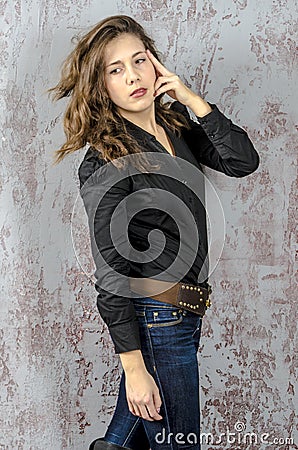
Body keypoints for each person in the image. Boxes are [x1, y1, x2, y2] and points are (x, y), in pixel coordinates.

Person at [50, 15, 259, 450]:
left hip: (184, 314)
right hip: (156, 316)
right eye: (116, 69)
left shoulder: (176, 124)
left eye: (139, 61)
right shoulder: (106, 161)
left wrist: (190, 98)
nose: (133, 77)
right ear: (101, 86)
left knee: (125, 442)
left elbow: (242, 161)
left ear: (156, 65)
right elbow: (111, 274)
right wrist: (134, 370)